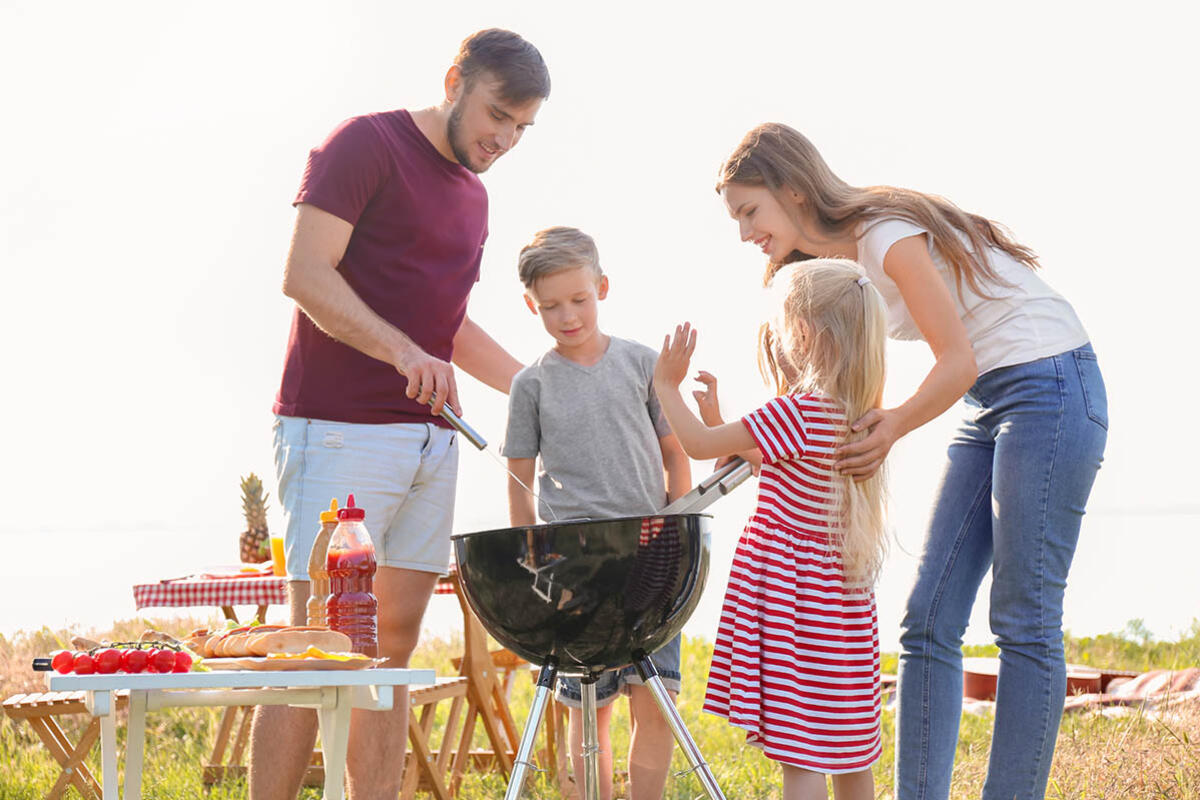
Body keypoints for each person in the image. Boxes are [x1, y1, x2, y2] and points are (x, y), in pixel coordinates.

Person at [716, 123, 1108, 800]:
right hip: (989, 398)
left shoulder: (883, 237)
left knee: (1023, 615)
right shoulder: (835, 272)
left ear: (791, 188)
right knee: (926, 618)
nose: (745, 231)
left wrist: (893, 424)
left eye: (750, 211)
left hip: (1050, 384)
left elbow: (956, 359)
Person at [250, 29, 550, 800]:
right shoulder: (364, 144)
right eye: (497, 116)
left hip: (430, 439)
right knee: (312, 649)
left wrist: (535, 388)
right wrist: (400, 353)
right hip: (339, 427)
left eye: (522, 128)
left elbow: (444, 323)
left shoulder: (474, 198)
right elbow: (304, 275)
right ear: (455, 80)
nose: (505, 139)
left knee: (389, 651)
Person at [653, 260, 889, 800]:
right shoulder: (855, 415)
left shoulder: (794, 412)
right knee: (850, 747)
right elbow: (764, 454)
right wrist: (717, 413)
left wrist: (666, 384)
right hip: (842, 603)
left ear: (802, 333)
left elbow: (697, 445)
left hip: (793, 606)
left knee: (799, 751)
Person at [502, 226, 692, 800]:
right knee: (587, 710)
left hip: (651, 555)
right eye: (551, 306)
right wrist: (527, 558)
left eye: (579, 300)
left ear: (602, 287)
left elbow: (675, 454)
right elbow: (519, 478)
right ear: (531, 304)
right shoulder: (529, 384)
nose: (568, 316)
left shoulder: (642, 364)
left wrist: (677, 533)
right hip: (572, 567)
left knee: (654, 701)